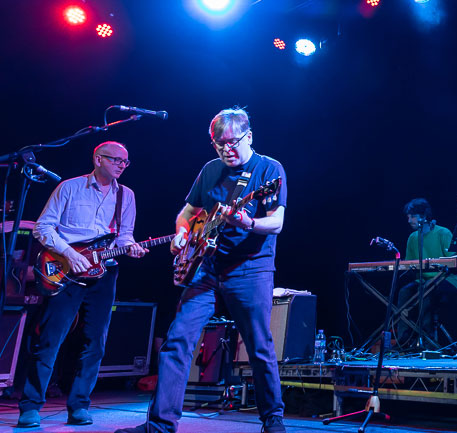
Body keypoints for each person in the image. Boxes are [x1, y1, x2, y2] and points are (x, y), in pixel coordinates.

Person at [116, 108, 287, 433]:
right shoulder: (210, 170)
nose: (227, 150)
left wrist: (248, 222)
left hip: (250, 269)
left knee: (258, 346)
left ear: (249, 136)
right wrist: (182, 232)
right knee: (177, 340)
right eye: (219, 145)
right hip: (206, 269)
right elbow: (189, 210)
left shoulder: (269, 170)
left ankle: (273, 420)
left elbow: (277, 222)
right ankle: (160, 425)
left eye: (232, 143)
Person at [18, 142, 147, 428]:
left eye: (126, 162)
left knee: (96, 343)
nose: (121, 166)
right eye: (116, 160)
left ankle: (79, 405)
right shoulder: (69, 187)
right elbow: (43, 227)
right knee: (51, 339)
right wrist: (70, 254)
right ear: (98, 159)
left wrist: (132, 247)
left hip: (104, 274)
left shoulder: (127, 196)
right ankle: (30, 406)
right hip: (65, 270)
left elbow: (124, 236)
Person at [394, 198, 457, 348]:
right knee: (404, 292)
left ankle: (429, 343)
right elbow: (410, 266)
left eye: (412, 216)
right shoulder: (413, 238)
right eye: (408, 217)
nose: (409, 220)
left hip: (446, 279)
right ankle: (403, 340)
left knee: (426, 290)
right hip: (422, 281)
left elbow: (453, 262)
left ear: (424, 216)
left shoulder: (443, 233)